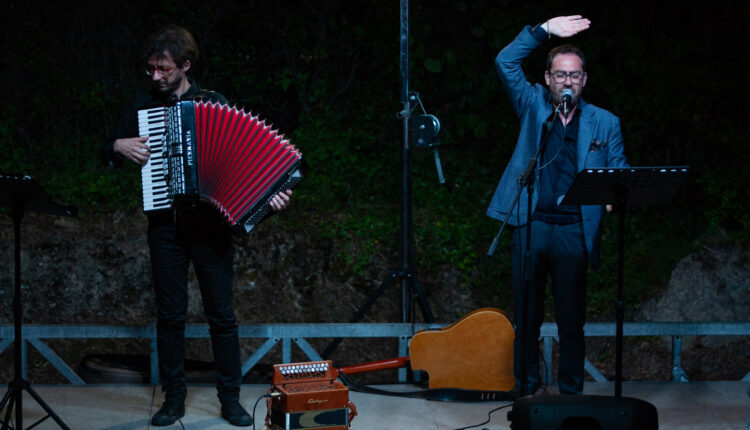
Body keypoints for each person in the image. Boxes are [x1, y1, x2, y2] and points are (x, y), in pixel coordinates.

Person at [102, 24, 292, 426]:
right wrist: (118, 146)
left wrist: (271, 200)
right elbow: (107, 149)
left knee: (222, 317)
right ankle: (173, 400)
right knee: (170, 316)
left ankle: (231, 399)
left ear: (184, 66)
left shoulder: (214, 103)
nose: (155, 76)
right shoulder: (141, 104)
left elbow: (245, 171)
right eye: (151, 68)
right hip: (165, 225)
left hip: (211, 229)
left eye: (163, 69)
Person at [486, 15, 628, 395]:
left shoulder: (604, 122)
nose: (568, 81)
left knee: (571, 323)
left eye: (575, 75)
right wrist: (544, 30)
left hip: (574, 231)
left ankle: (570, 396)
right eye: (561, 74)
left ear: (584, 80)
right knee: (526, 321)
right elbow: (505, 62)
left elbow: (619, 170)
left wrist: (612, 193)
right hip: (531, 224)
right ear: (548, 79)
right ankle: (527, 395)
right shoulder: (533, 105)